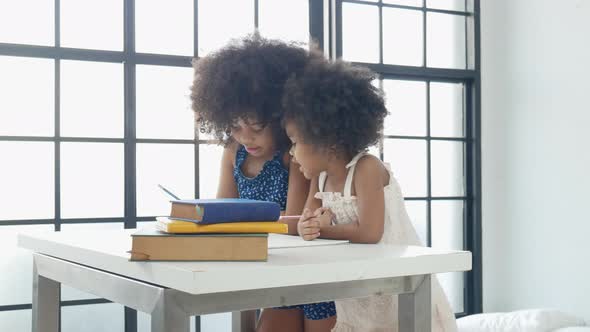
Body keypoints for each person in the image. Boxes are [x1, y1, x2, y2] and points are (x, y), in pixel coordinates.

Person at [282, 57, 458, 332]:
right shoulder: (320, 178)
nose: (292, 154)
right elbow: (306, 220)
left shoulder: (366, 169)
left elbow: (369, 232)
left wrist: (320, 229)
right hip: (359, 290)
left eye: (295, 142)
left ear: (325, 140)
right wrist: (296, 224)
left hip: (399, 285)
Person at [190, 34, 336, 332]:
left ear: (281, 116)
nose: (245, 137)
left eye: (256, 126)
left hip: (307, 267)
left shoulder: (294, 156)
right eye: (234, 126)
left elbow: (292, 224)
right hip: (266, 267)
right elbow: (222, 210)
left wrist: (239, 222)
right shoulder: (234, 153)